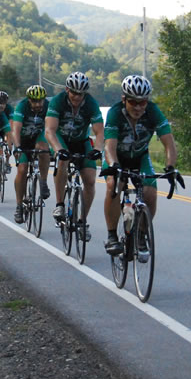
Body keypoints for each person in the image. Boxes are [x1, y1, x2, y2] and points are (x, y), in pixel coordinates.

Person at [100, 75, 178, 255]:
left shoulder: (153, 111)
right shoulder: (115, 113)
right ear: (124, 99)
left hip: (140, 156)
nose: (138, 107)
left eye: (142, 102)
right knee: (114, 185)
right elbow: (109, 146)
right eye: (133, 102)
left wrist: (170, 167)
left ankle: (141, 235)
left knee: (150, 191)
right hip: (117, 157)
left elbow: (169, 143)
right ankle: (112, 236)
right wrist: (114, 165)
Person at [44, 72, 104, 241]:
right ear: (67, 90)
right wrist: (58, 149)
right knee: (63, 160)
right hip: (61, 139)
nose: (77, 97)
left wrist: (97, 149)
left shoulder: (91, 103)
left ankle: (82, 222)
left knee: (90, 180)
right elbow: (49, 131)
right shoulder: (58, 101)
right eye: (74, 93)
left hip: (81, 141)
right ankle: (60, 205)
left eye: (81, 94)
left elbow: (100, 132)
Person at [11, 84, 52, 223]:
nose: (38, 104)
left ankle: (43, 182)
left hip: (38, 137)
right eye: (34, 101)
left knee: (43, 149)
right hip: (22, 140)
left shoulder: (48, 107)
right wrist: (17, 147)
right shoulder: (22, 107)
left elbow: (52, 128)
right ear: (29, 100)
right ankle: (19, 206)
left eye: (40, 101)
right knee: (22, 169)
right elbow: (16, 129)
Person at [0, 91, 14, 174]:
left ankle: (7, 162)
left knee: (8, 142)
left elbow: (11, 123)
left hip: (5, 129)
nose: (1, 105)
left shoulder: (10, 109)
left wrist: (8, 136)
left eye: (3, 102)